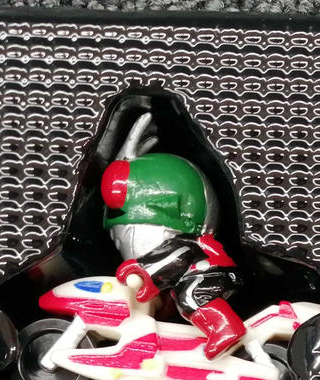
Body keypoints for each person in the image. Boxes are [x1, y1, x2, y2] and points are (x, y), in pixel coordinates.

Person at [100, 113, 247, 359]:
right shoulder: (187, 243)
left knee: (190, 296)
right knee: (180, 297)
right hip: (205, 273)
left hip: (211, 273)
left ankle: (226, 328)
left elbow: (176, 257)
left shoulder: (186, 245)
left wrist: (145, 272)